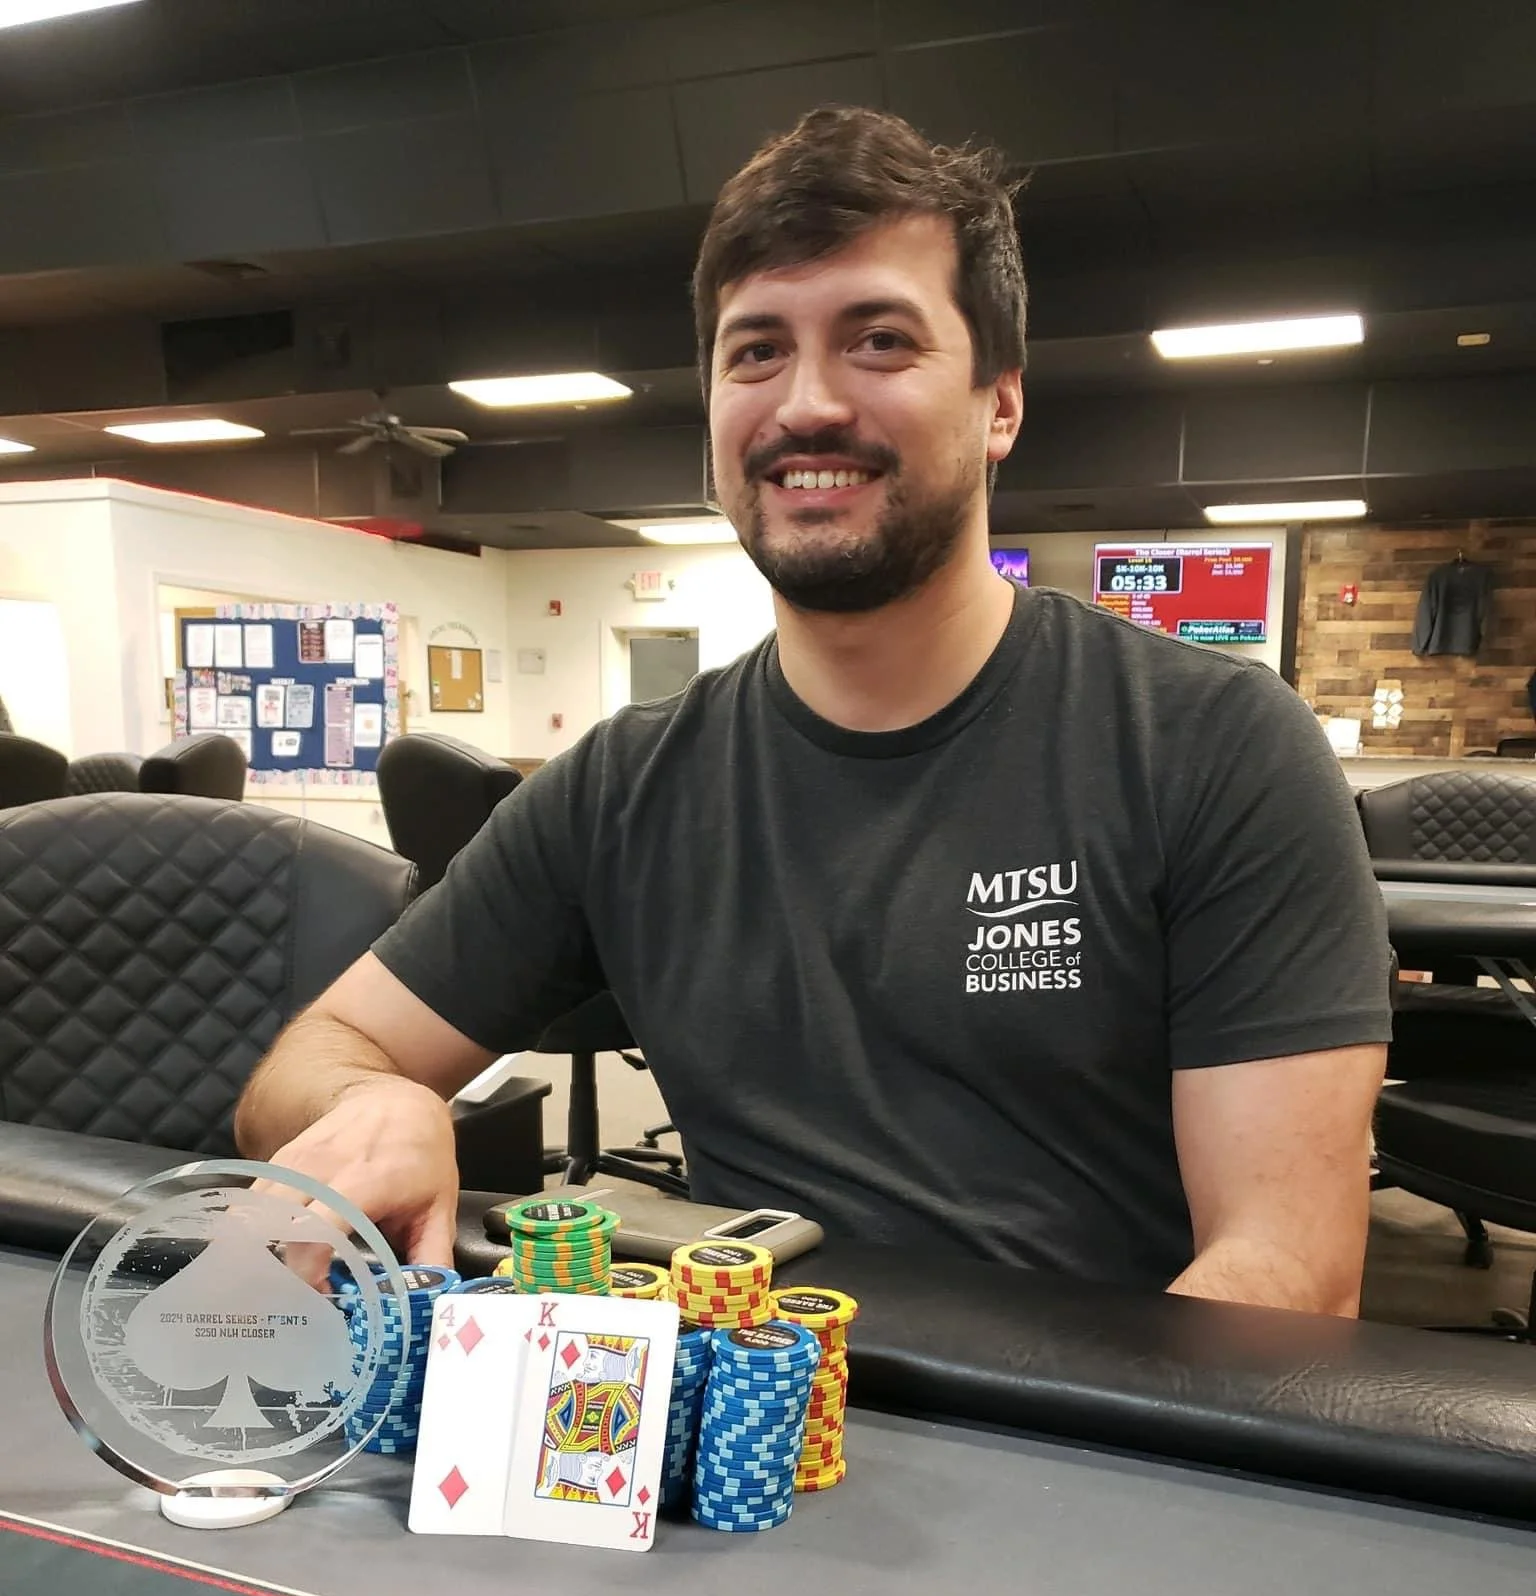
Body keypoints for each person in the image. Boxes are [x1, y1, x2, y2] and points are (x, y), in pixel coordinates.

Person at [237, 106, 1390, 1314]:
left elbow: (1290, 1274)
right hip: (752, 1396)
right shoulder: (625, 785)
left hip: (1100, 1414)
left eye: (879, 340)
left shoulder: (1213, 745)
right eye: (755, 352)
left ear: (1000, 403)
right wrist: (377, 1100)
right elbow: (304, 1065)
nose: (806, 404)